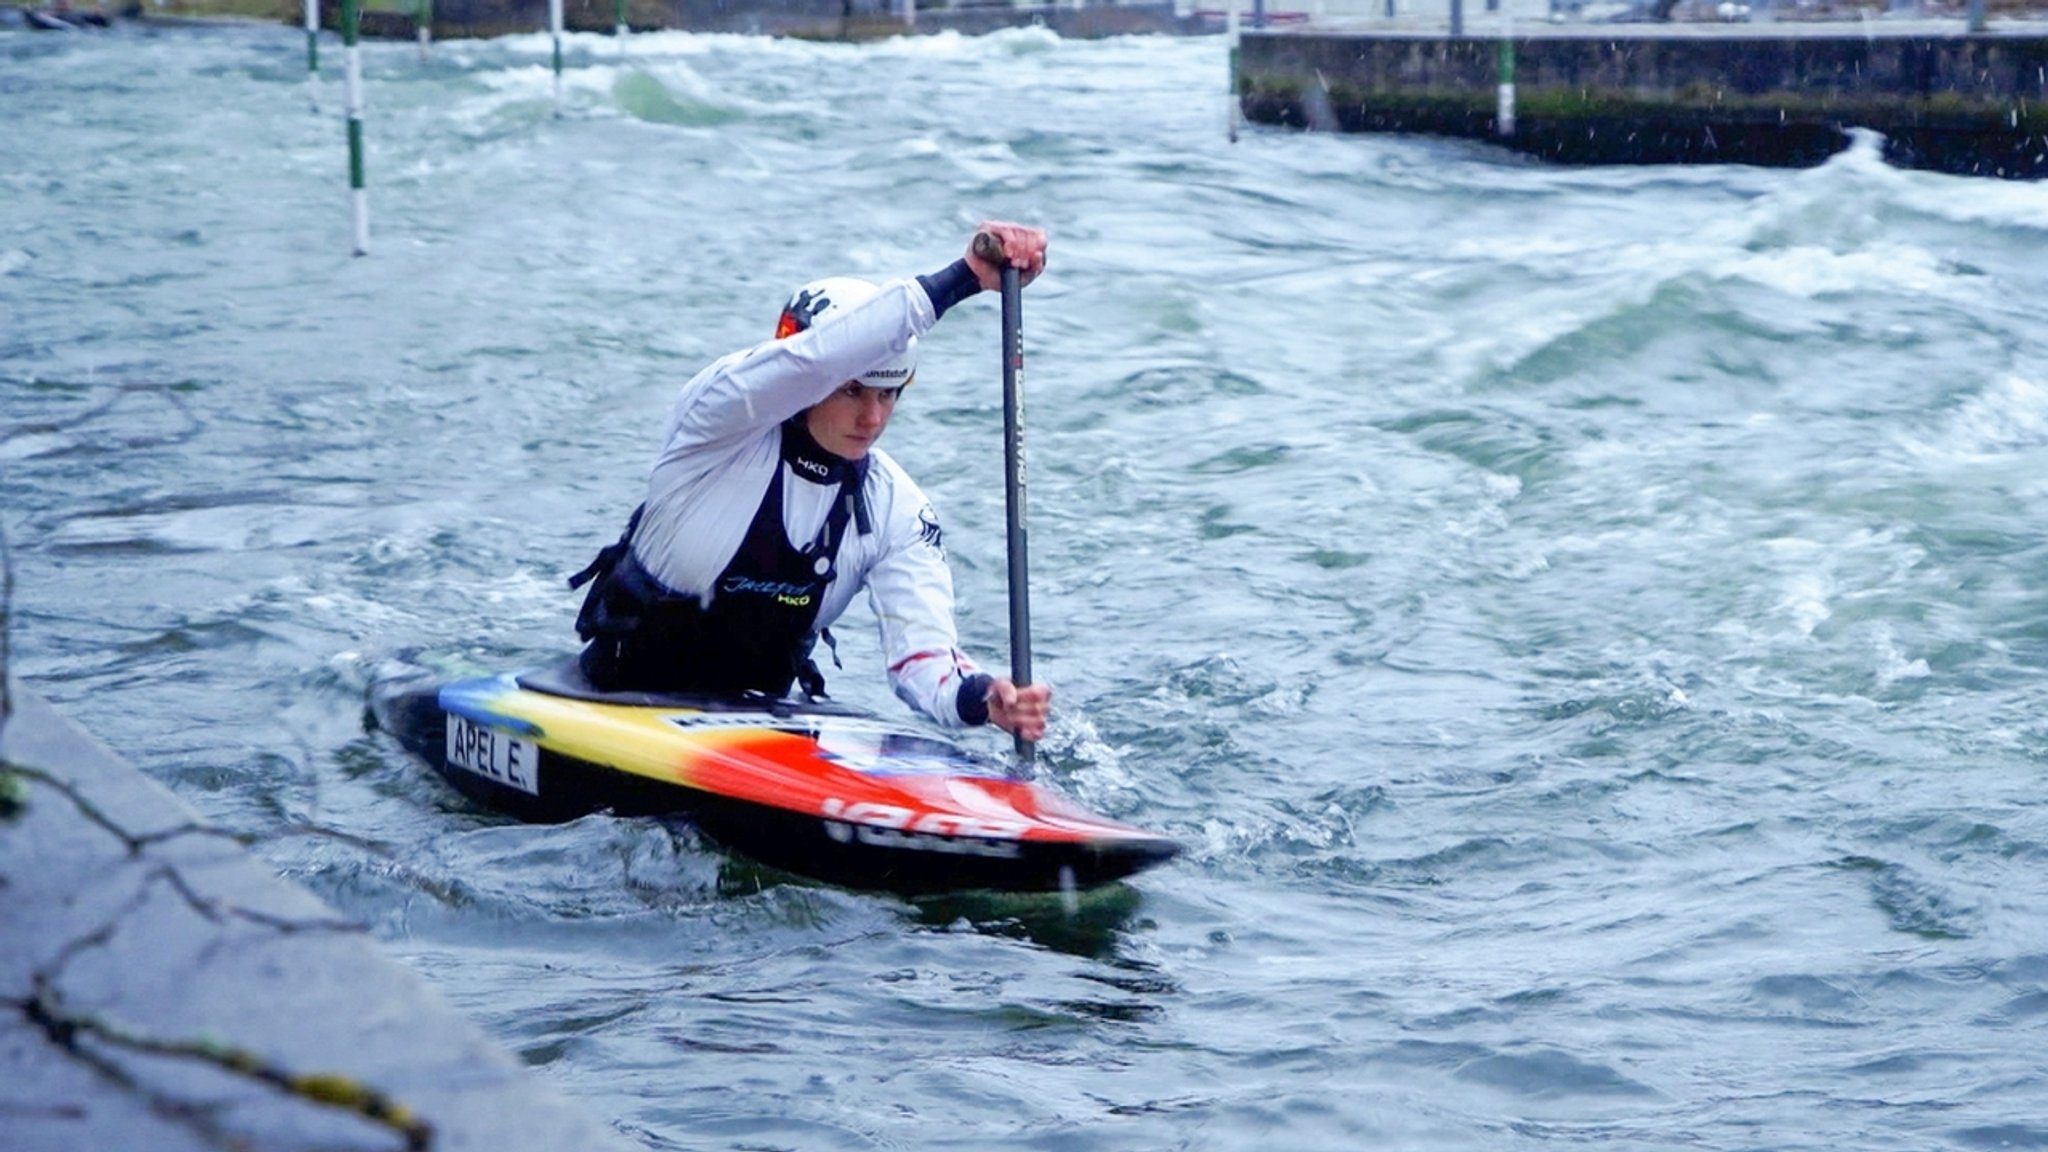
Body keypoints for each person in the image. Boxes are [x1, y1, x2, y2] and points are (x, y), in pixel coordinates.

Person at [568, 222, 1053, 743]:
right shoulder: (716, 421)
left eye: (887, 395)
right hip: (620, 696)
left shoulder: (895, 507)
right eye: (851, 391)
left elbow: (921, 658)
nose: (872, 417)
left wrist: (984, 699)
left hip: (760, 726)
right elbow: (814, 359)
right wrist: (965, 279)